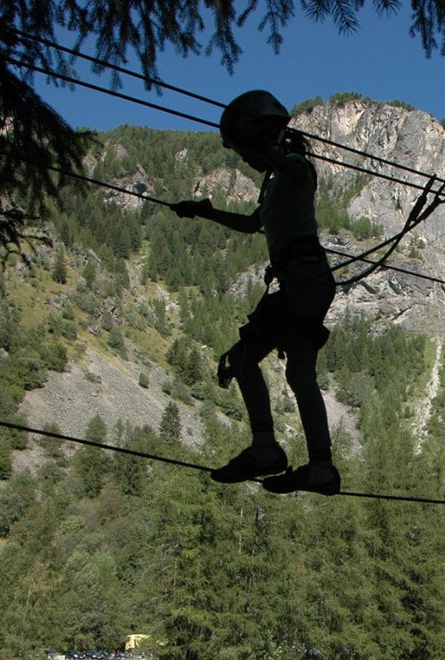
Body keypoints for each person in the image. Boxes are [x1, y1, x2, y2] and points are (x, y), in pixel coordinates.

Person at [171, 90, 339, 495]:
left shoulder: (296, 167)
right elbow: (252, 225)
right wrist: (206, 212)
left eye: (245, 150)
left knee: (298, 372)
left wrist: (265, 148)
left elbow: (299, 175)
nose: (244, 160)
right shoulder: (273, 184)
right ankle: (268, 448)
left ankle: (318, 466)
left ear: (262, 137)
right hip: (295, 282)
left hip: (307, 278)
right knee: (243, 359)